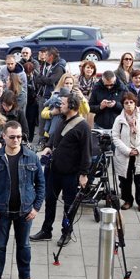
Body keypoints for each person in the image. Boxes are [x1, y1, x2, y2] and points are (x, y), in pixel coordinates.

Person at [0, 121, 45, 279]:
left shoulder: (31, 157)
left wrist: (36, 208)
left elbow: (41, 184)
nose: (16, 140)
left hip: (25, 211)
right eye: (12, 137)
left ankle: (25, 276)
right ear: (3, 136)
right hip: (0, 211)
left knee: (24, 245)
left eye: (19, 136)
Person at [31, 93, 92, 242]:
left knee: (69, 205)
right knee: (50, 201)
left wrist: (84, 174)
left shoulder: (83, 126)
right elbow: (54, 138)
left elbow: (86, 152)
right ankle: (46, 231)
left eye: (63, 104)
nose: (60, 106)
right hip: (54, 171)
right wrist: (47, 147)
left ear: (72, 106)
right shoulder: (61, 120)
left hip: (70, 173)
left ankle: (67, 232)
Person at [111, 93, 140, 212]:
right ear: (123, 104)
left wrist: (139, 149)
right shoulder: (119, 119)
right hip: (125, 154)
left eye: (131, 102)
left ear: (135, 103)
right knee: (125, 180)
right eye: (126, 103)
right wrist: (128, 150)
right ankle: (127, 200)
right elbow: (115, 137)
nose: (129, 105)